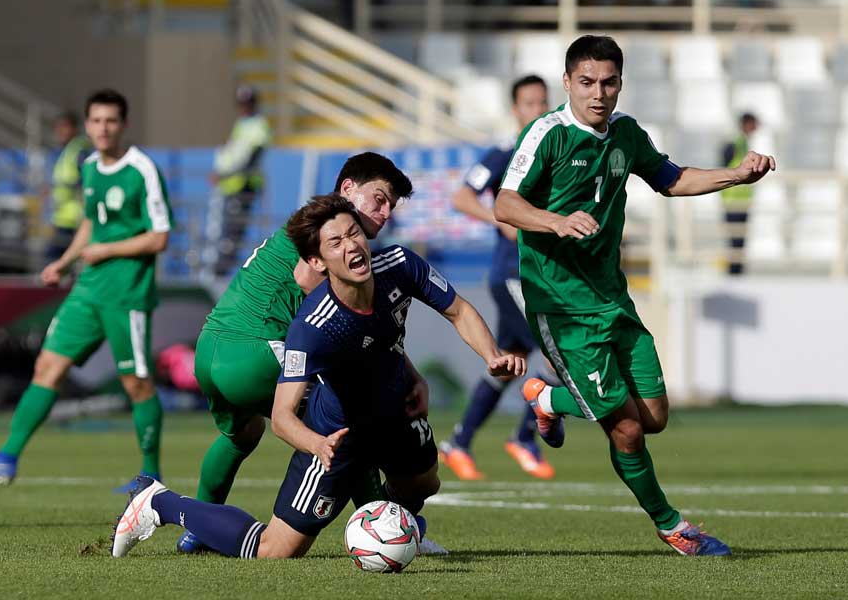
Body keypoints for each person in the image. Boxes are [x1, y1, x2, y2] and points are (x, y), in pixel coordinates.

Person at [111, 194, 525, 560]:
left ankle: (388, 530)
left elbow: (459, 310)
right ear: (316, 261)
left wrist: (492, 355)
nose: (352, 246)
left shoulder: (399, 264)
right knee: (275, 550)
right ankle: (160, 504)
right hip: (337, 436)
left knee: (425, 482)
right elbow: (284, 413)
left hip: (393, 412)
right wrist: (316, 444)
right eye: (336, 243)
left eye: (354, 234)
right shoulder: (313, 326)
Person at [495, 35, 775, 556]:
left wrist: (736, 174)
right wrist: (555, 221)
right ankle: (672, 526)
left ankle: (546, 397)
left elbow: (671, 179)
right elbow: (505, 205)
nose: (597, 93)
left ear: (620, 83)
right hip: (562, 306)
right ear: (567, 83)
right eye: (586, 82)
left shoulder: (625, 133)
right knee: (625, 428)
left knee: (654, 417)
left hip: (613, 299)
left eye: (608, 82)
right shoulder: (548, 134)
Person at [179, 152, 448, 555]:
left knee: (240, 435)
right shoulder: (330, 235)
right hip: (257, 352)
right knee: (349, 425)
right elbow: (319, 293)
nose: (386, 211)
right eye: (379, 198)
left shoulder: (309, 224)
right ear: (347, 190)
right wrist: (408, 373)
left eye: (391, 204)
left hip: (212, 349)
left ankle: (199, 525)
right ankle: (388, 531)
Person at [0, 89, 173, 492]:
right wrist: (65, 261)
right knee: (47, 367)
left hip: (127, 294)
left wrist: (106, 249)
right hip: (87, 289)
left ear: (123, 125)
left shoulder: (142, 169)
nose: (103, 129)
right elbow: (90, 222)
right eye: (96, 121)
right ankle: (7, 456)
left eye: (111, 121)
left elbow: (159, 237)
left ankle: (150, 476)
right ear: (87, 125)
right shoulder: (89, 166)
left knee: (136, 384)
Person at [439, 74, 560, 481]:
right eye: (529, 103)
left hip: (540, 274)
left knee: (510, 363)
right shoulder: (504, 153)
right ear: (515, 110)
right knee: (560, 355)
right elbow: (461, 196)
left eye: (543, 102)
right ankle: (526, 437)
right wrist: (501, 219)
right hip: (513, 273)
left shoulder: (556, 152)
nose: (538, 110)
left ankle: (460, 441)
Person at [209, 84, 272, 276]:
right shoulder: (242, 123)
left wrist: (226, 174)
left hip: (244, 185)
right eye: (242, 103)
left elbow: (252, 158)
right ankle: (221, 269)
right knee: (227, 230)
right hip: (231, 186)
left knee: (234, 232)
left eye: (248, 103)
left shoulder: (259, 125)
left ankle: (223, 271)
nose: (244, 107)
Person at [46, 112, 92, 261]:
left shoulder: (79, 151)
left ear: (74, 129)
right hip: (63, 216)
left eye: (64, 126)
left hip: (75, 218)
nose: (60, 131)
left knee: (55, 260)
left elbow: (86, 181)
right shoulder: (65, 151)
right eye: (58, 127)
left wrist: (68, 187)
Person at [721, 112, 759, 275]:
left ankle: (737, 271)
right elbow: (724, 167)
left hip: (741, 200)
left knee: (739, 239)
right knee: (735, 239)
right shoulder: (736, 143)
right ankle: (734, 272)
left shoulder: (742, 143)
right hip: (733, 200)